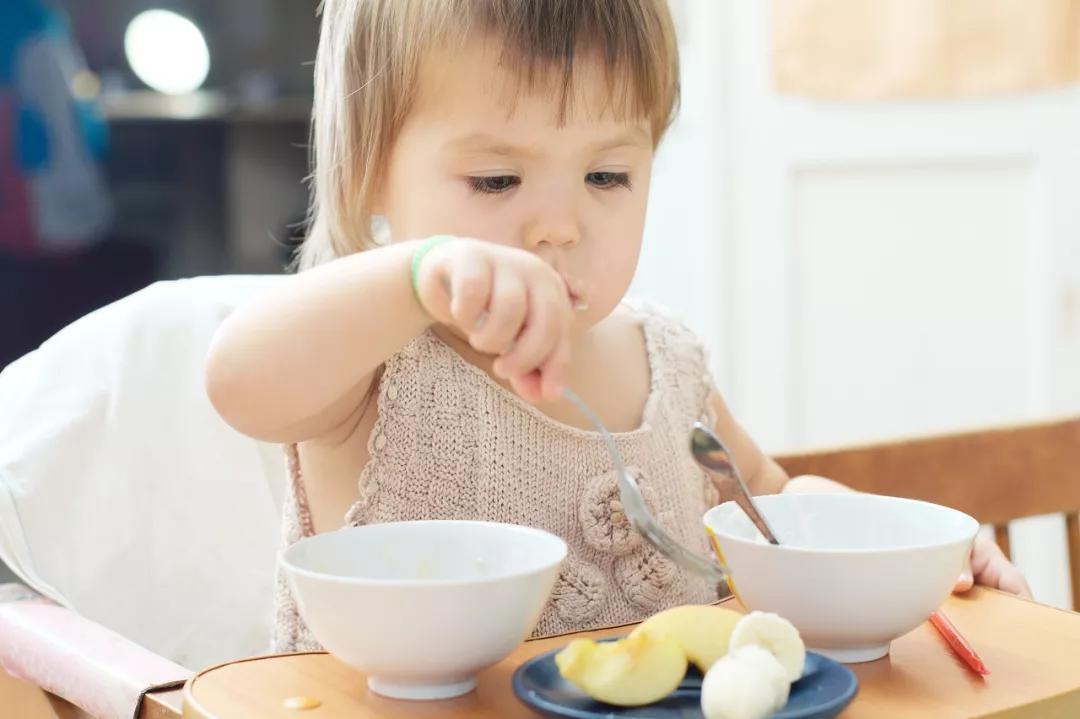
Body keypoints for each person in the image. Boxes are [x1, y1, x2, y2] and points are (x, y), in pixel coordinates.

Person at [204, 0, 1030, 653]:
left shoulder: (667, 364)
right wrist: (418, 273)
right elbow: (239, 382)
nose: (559, 225)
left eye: (607, 174)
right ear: (370, 172)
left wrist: (912, 550)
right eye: (496, 180)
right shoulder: (375, 365)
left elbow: (773, 499)